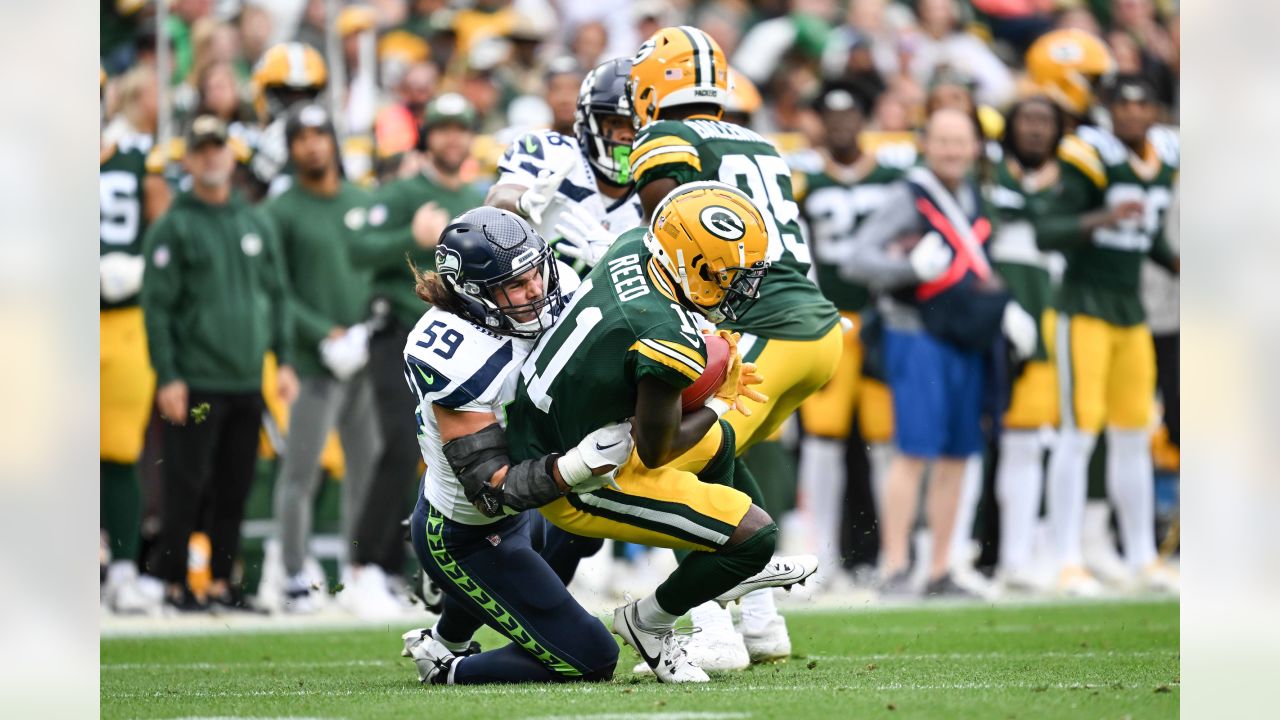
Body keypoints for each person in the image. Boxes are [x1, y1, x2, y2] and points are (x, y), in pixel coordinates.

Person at [496, 183, 813, 683]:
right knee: (757, 538)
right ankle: (650, 620)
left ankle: (724, 564)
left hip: (562, 428)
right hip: (580, 478)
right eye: (729, 275)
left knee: (720, 448)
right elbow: (656, 447)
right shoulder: (665, 335)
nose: (740, 287)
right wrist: (719, 400)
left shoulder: (634, 247)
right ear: (693, 263)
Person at [627, 25, 842, 669]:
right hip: (813, 332)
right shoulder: (758, 139)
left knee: (666, 462)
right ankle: (760, 620)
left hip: (765, 329)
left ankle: (709, 628)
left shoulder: (668, 137)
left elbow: (664, 235)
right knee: (718, 458)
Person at [403, 207, 622, 685]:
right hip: (468, 533)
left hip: (530, 504)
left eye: (535, 271)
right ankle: (446, 669)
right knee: (592, 657)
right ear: (474, 295)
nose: (537, 289)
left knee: (584, 529)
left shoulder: (551, 280)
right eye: (515, 284)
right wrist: (580, 463)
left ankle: (448, 636)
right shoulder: (453, 352)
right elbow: (491, 489)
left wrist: (612, 279)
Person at [842, 108, 1038, 598]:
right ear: (925, 143)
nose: (953, 150)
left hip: (965, 336)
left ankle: (940, 569)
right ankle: (894, 566)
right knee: (914, 453)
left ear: (975, 147)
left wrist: (1006, 310)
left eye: (961, 141)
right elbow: (855, 258)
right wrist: (909, 267)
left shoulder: (971, 193)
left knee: (957, 455)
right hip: (917, 335)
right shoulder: (908, 195)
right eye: (944, 141)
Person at [140, 115, 298, 611]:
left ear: (232, 156)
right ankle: (175, 581)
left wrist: (286, 359)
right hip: (198, 380)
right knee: (187, 483)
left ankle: (224, 582)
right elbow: (158, 307)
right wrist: (168, 374)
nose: (211, 157)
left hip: (247, 379)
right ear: (187, 159)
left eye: (218, 147)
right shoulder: (174, 225)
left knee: (235, 485)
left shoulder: (253, 220)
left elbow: (277, 295)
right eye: (201, 149)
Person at [1038, 74, 1180, 593]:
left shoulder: (1163, 155)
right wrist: (1104, 215)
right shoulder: (1088, 154)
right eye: (1124, 105)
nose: (1134, 115)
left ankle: (1142, 555)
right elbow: (1047, 230)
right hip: (1084, 307)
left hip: (1131, 311)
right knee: (1078, 436)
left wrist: (1176, 261)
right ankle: (1066, 557)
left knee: (1133, 435)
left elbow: (1145, 238)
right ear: (1108, 110)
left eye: (1143, 106)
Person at [353, 93, 486, 601]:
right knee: (396, 446)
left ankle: (417, 563)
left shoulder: (477, 195)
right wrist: (410, 236)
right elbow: (358, 249)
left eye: (461, 127)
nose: (453, 137)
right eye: (443, 128)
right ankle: (366, 564)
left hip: (456, 349)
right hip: (399, 339)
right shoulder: (407, 192)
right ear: (428, 136)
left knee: (449, 456)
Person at [263, 103, 385, 616]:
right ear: (290, 148)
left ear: (333, 141)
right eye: (301, 136)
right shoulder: (281, 210)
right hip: (313, 360)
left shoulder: (362, 199)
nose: (312, 145)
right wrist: (321, 333)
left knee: (368, 463)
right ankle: (292, 570)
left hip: (362, 353)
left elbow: (381, 269)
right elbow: (275, 290)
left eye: (320, 134)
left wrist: (367, 326)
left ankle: (358, 572)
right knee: (302, 470)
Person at [794, 82, 914, 588]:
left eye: (851, 116)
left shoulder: (894, 176)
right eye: (832, 117)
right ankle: (818, 557)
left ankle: (892, 556)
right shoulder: (805, 180)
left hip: (883, 318)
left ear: (865, 120)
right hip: (830, 320)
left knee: (886, 442)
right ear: (820, 122)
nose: (842, 126)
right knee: (822, 440)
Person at [986, 95, 1067, 593]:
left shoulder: (1070, 181)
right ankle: (951, 555)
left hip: (1044, 320)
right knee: (968, 448)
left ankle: (1019, 555)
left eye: (1045, 122)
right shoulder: (990, 174)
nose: (1035, 130)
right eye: (1027, 120)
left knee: (1027, 443)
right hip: (988, 321)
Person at [99, 68, 170, 614]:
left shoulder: (137, 155)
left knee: (118, 449)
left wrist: (142, 263)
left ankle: (123, 568)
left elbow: (163, 227)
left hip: (122, 317)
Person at [486, 57, 642, 273]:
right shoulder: (549, 152)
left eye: (636, 124)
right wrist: (521, 203)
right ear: (590, 120)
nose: (626, 135)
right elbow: (495, 206)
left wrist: (621, 260)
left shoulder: (659, 186)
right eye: (615, 123)